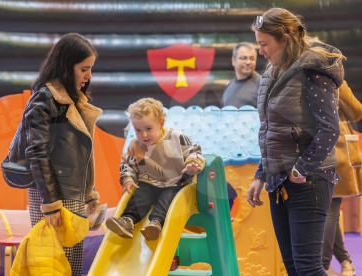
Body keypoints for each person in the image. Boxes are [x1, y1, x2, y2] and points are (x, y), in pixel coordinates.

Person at [246, 8, 345, 275]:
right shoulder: (272, 70)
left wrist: (302, 167)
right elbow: (270, 130)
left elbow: (329, 128)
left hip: (308, 181)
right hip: (278, 179)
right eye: (259, 44)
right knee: (292, 266)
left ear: (286, 38)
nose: (261, 51)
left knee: (308, 268)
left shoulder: (312, 70)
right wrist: (261, 174)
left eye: (265, 44)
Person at [25, 33, 102, 275]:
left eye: (90, 69)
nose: (88, 76)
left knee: (72, 265)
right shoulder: (46, 98)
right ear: (67, 66)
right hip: (56, 196)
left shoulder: (72, 100)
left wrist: (88, 194)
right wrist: (50, 204)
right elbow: (36, 152)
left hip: (71, 195)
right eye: (84, 69)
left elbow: (80, 155)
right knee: (53, 266)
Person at [106, 98, 205, 241]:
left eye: (148, 129)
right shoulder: (136, 144)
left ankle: (156, 224)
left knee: (168, 198)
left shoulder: (176, 137)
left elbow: (194, 151)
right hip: (149, 182)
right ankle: (127, 221)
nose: (144, 135)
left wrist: (193, 163)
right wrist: (128, 178)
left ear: (161, 123)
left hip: (175, 182)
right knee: (139, 196)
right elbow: (127, 163)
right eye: (138, 130)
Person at [323, 80, 360, 276]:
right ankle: (323, 265)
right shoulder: (333, 79)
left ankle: (342, 261)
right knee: (330, 209)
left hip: (311, 152)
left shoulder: (295, 73)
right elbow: (356, 111)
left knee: (331, 210)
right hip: (332, 151)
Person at [221, 42, 261, 108]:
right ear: (233, 60)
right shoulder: (229, 86)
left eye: (252, 59)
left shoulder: (263, 84)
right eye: (243, 58)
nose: (248, 62)